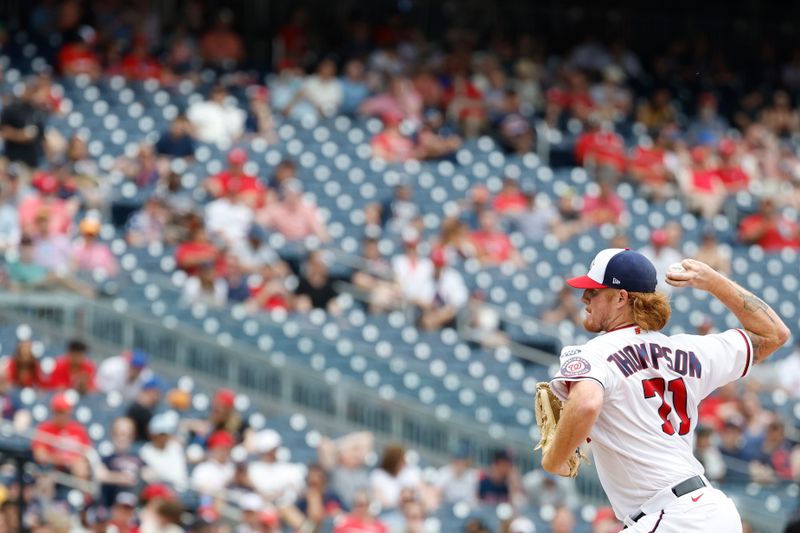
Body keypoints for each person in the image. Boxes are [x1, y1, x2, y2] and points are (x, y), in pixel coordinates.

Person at [541, 248, 789, 531]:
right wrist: (713, 281)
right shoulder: (688, 350)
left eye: (594, 291)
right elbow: (774, 334)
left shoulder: (595, 353)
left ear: (621, 298)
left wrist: (553, 460)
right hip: (711, 511)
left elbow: (585, 404)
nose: (584, 298)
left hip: (670, 516)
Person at [140, 413, 189, 489]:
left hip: (181, 488)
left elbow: (181, 474)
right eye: (160, 434)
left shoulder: (175, 447)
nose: (163, 437)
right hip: (163, 490)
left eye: (165, 434)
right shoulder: (145, 451)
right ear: (152, 434)